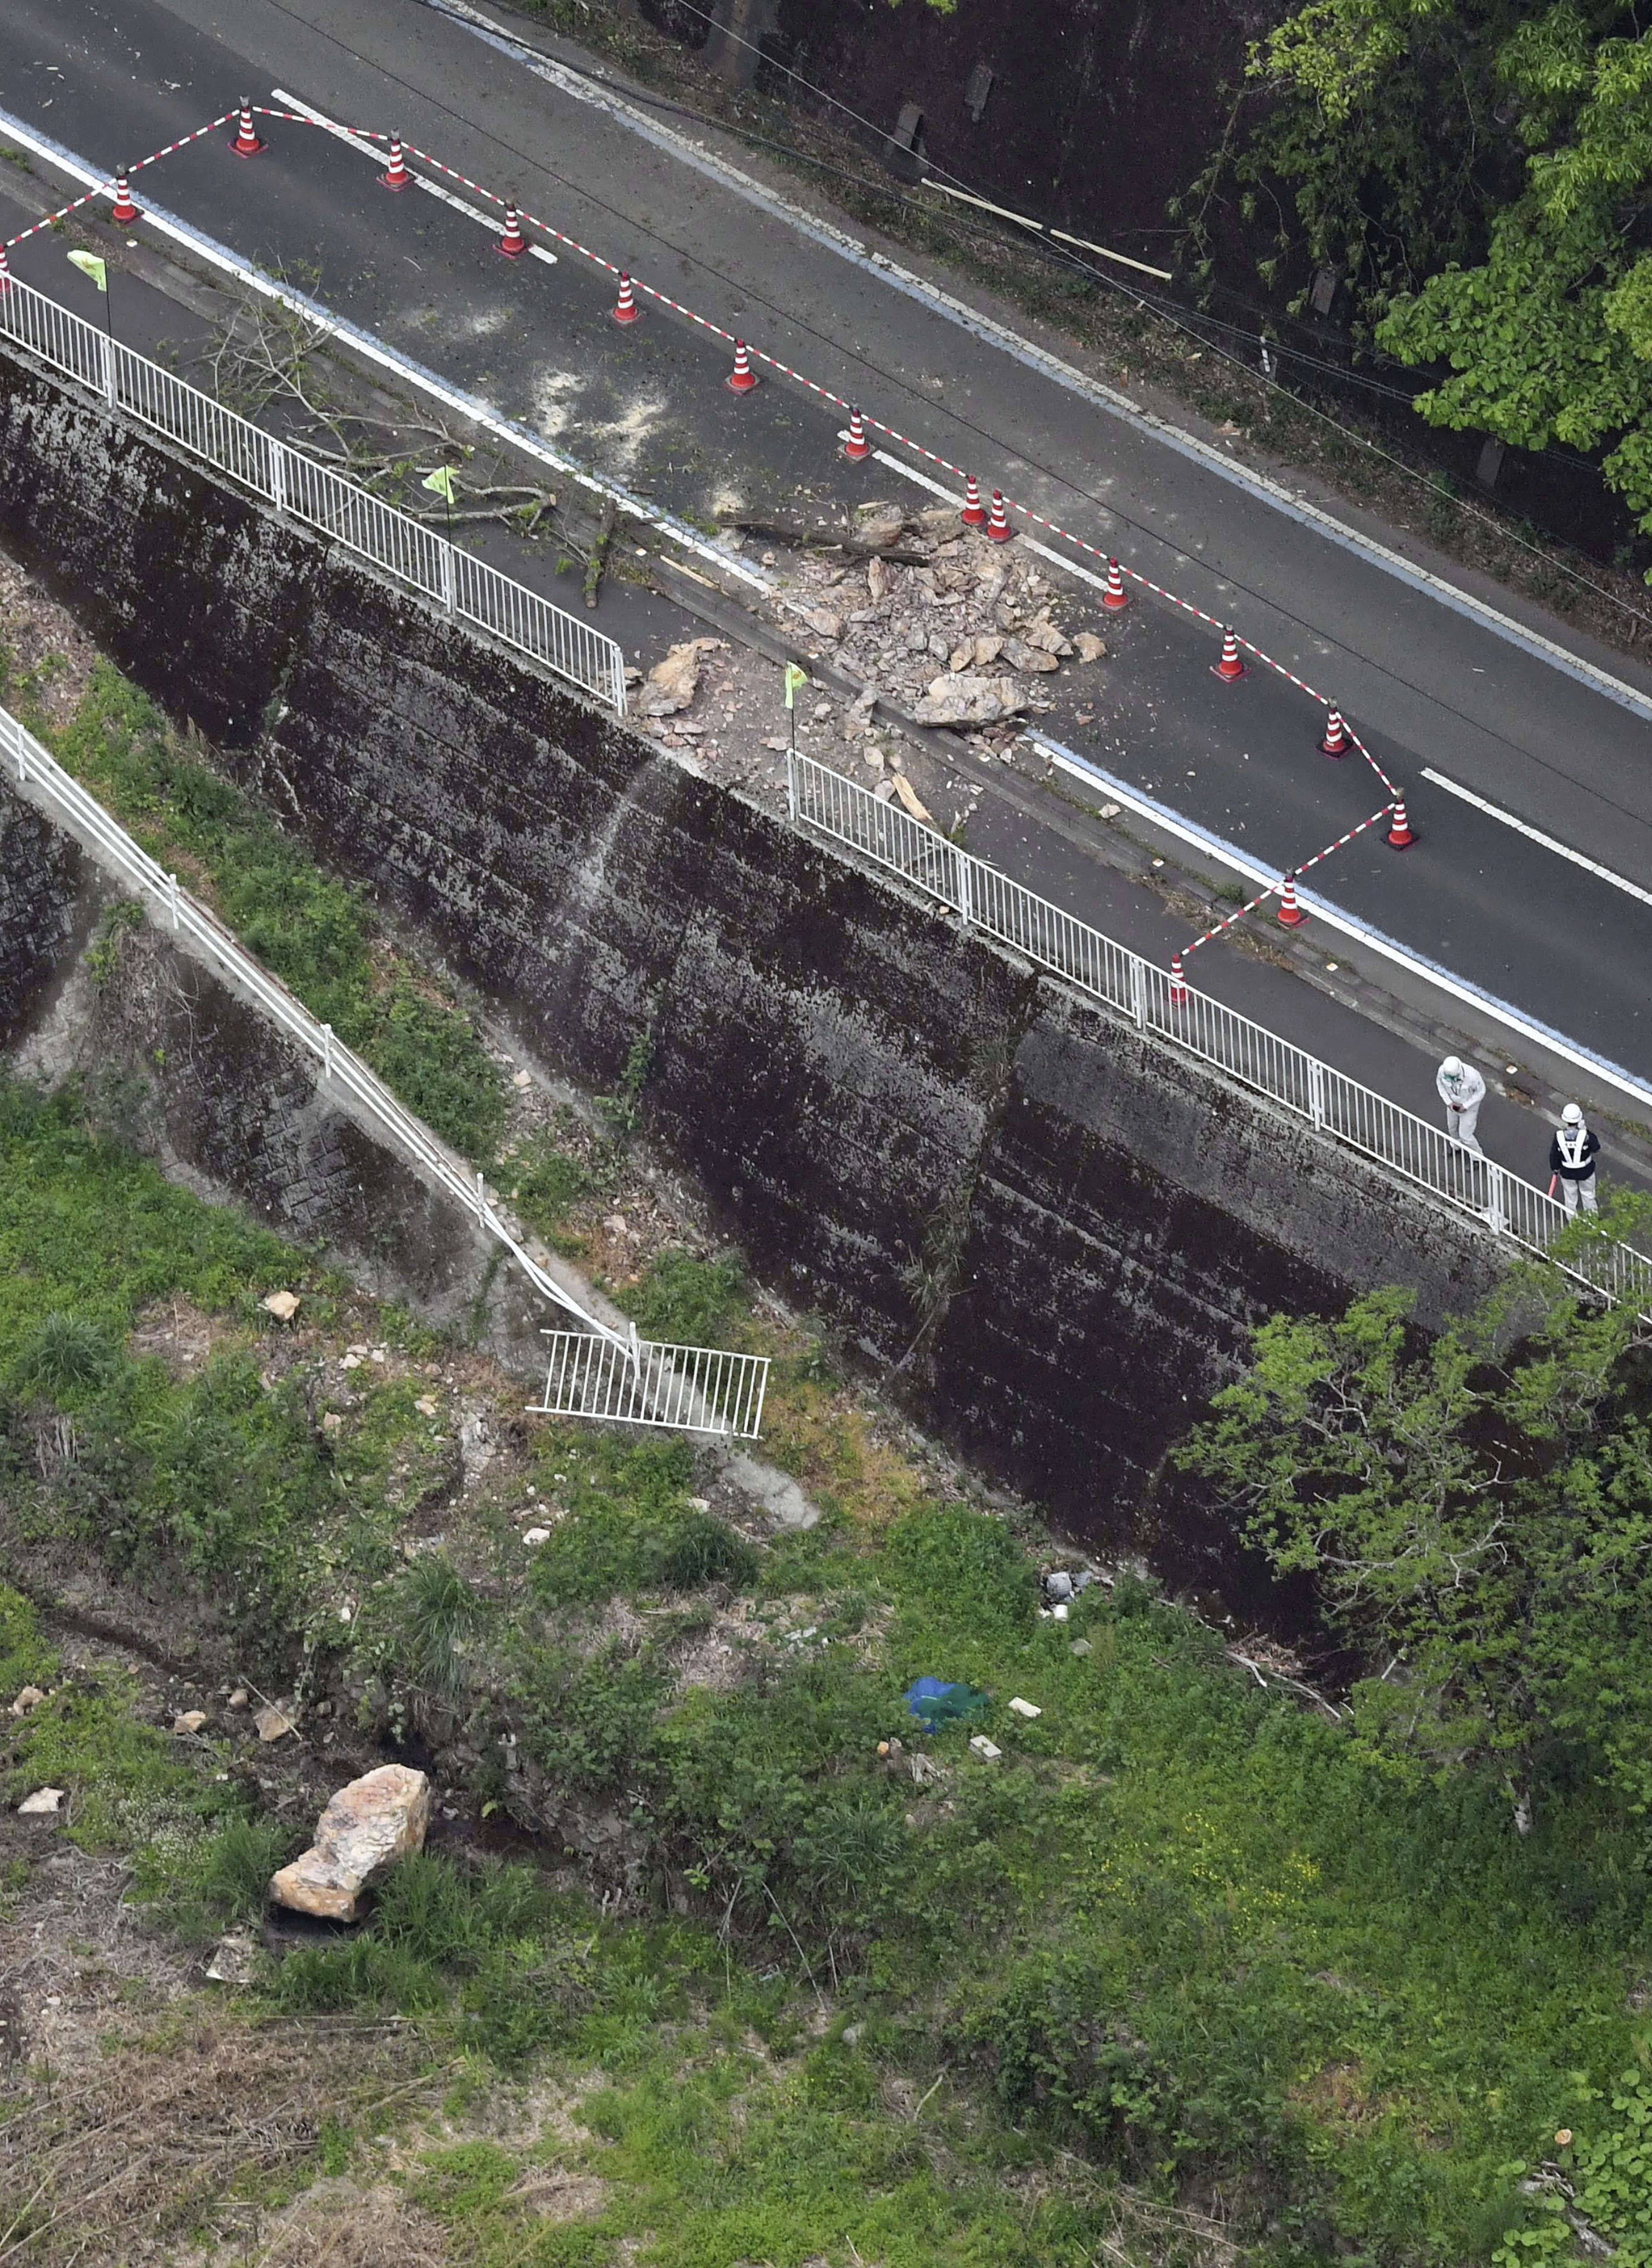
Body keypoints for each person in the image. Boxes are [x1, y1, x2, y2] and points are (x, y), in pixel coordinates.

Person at [1549, 1103, 1600, 1217]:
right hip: (1586, 1171)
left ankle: (1573, 1222)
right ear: (1580, 1120)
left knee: (1570, 1198)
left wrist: (1555, 1169)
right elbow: (1596, 1147)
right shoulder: (1586, 1136)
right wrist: (1586, 1130)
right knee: (1588, 1195)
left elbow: (1554, 1155)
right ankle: (1593, 1220)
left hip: (1567, 1172)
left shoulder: (1559, 1136)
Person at [1436, 1056, 1486, 1154]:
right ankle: (1456, 1146)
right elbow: (1440, 1085)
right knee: (1452, 1128)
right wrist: (1449, 1103)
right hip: (1452, 1104)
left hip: (1469, 1107)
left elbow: (1481, 1092)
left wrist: (1466, 1106)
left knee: (1466, 1135)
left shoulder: (1472, 1076)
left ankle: (1478, 1156)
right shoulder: (1443, 1071)